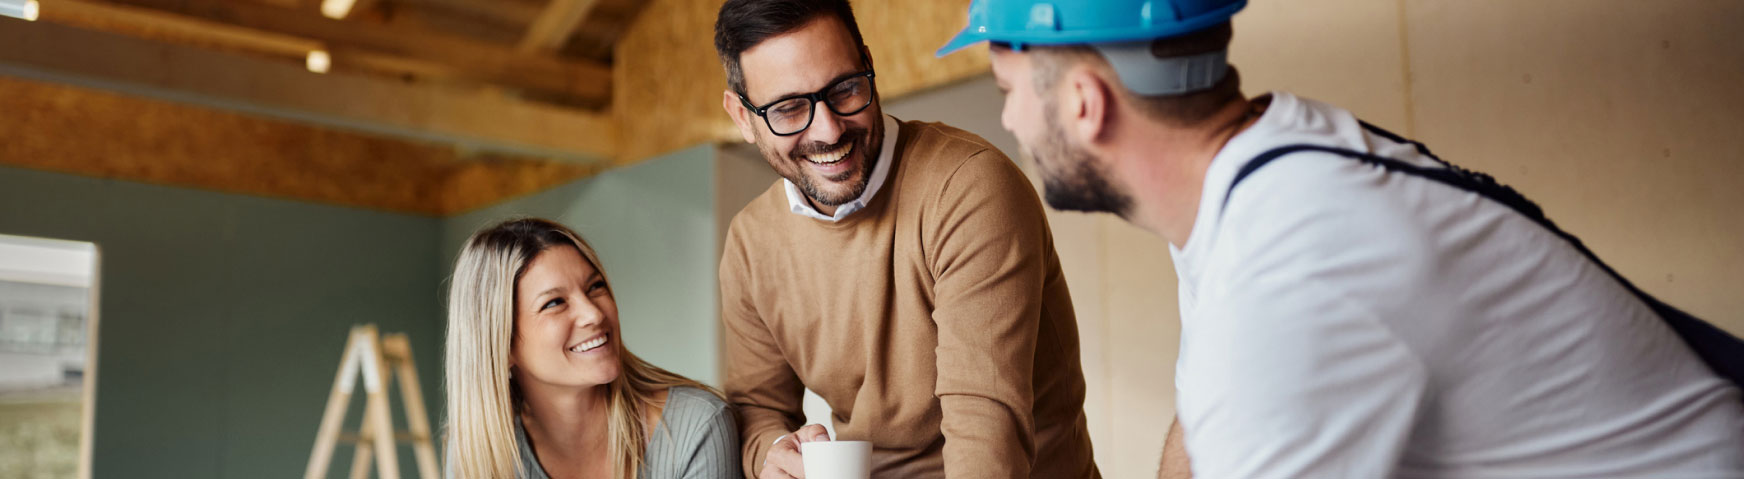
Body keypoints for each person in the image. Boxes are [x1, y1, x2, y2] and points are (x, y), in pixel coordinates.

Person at [939, 1, 1744, 478]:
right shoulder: (1263, 169)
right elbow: (1200, 428)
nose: (1007, 120)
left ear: (1085, 104)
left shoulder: (1290, 268)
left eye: (1009, 91)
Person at [712, 0, 1100, 477]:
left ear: (869, 67)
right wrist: (771, 452)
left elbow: (986, 437)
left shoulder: (967, 187)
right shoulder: (752, 243)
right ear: (740, 116)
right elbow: (756, 407)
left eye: (845, 88)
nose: (829, 129)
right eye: (790, 109)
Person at [443, 218, 740, 479]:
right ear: (502, 347)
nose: (594, 314)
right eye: (554, 303)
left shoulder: (697, 426)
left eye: (595, 287)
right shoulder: (477, 449)